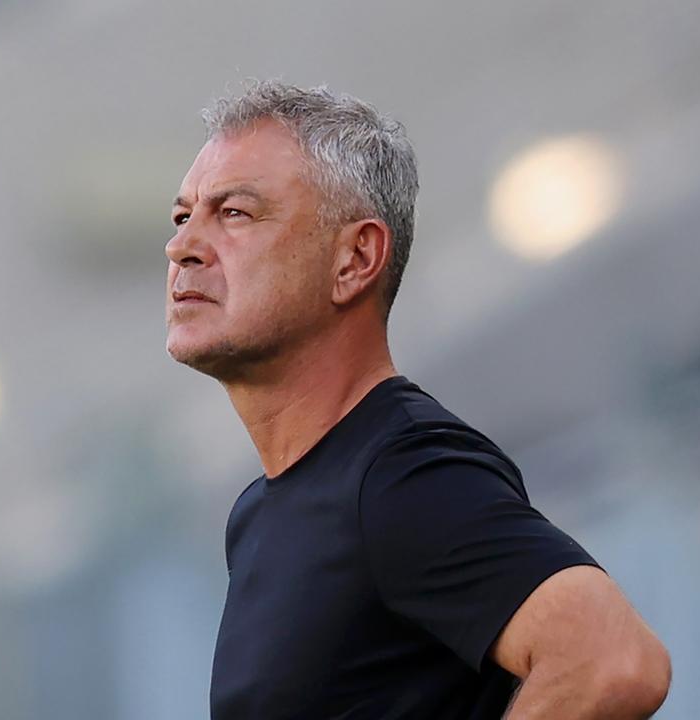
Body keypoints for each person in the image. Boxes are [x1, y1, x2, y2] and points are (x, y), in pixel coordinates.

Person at [164, 81, 671, 719]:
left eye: (234, 213)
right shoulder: (263, 512)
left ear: (355, 258)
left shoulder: (401, 474)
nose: (182, 246)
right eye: (184, 216)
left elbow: (611, 663)